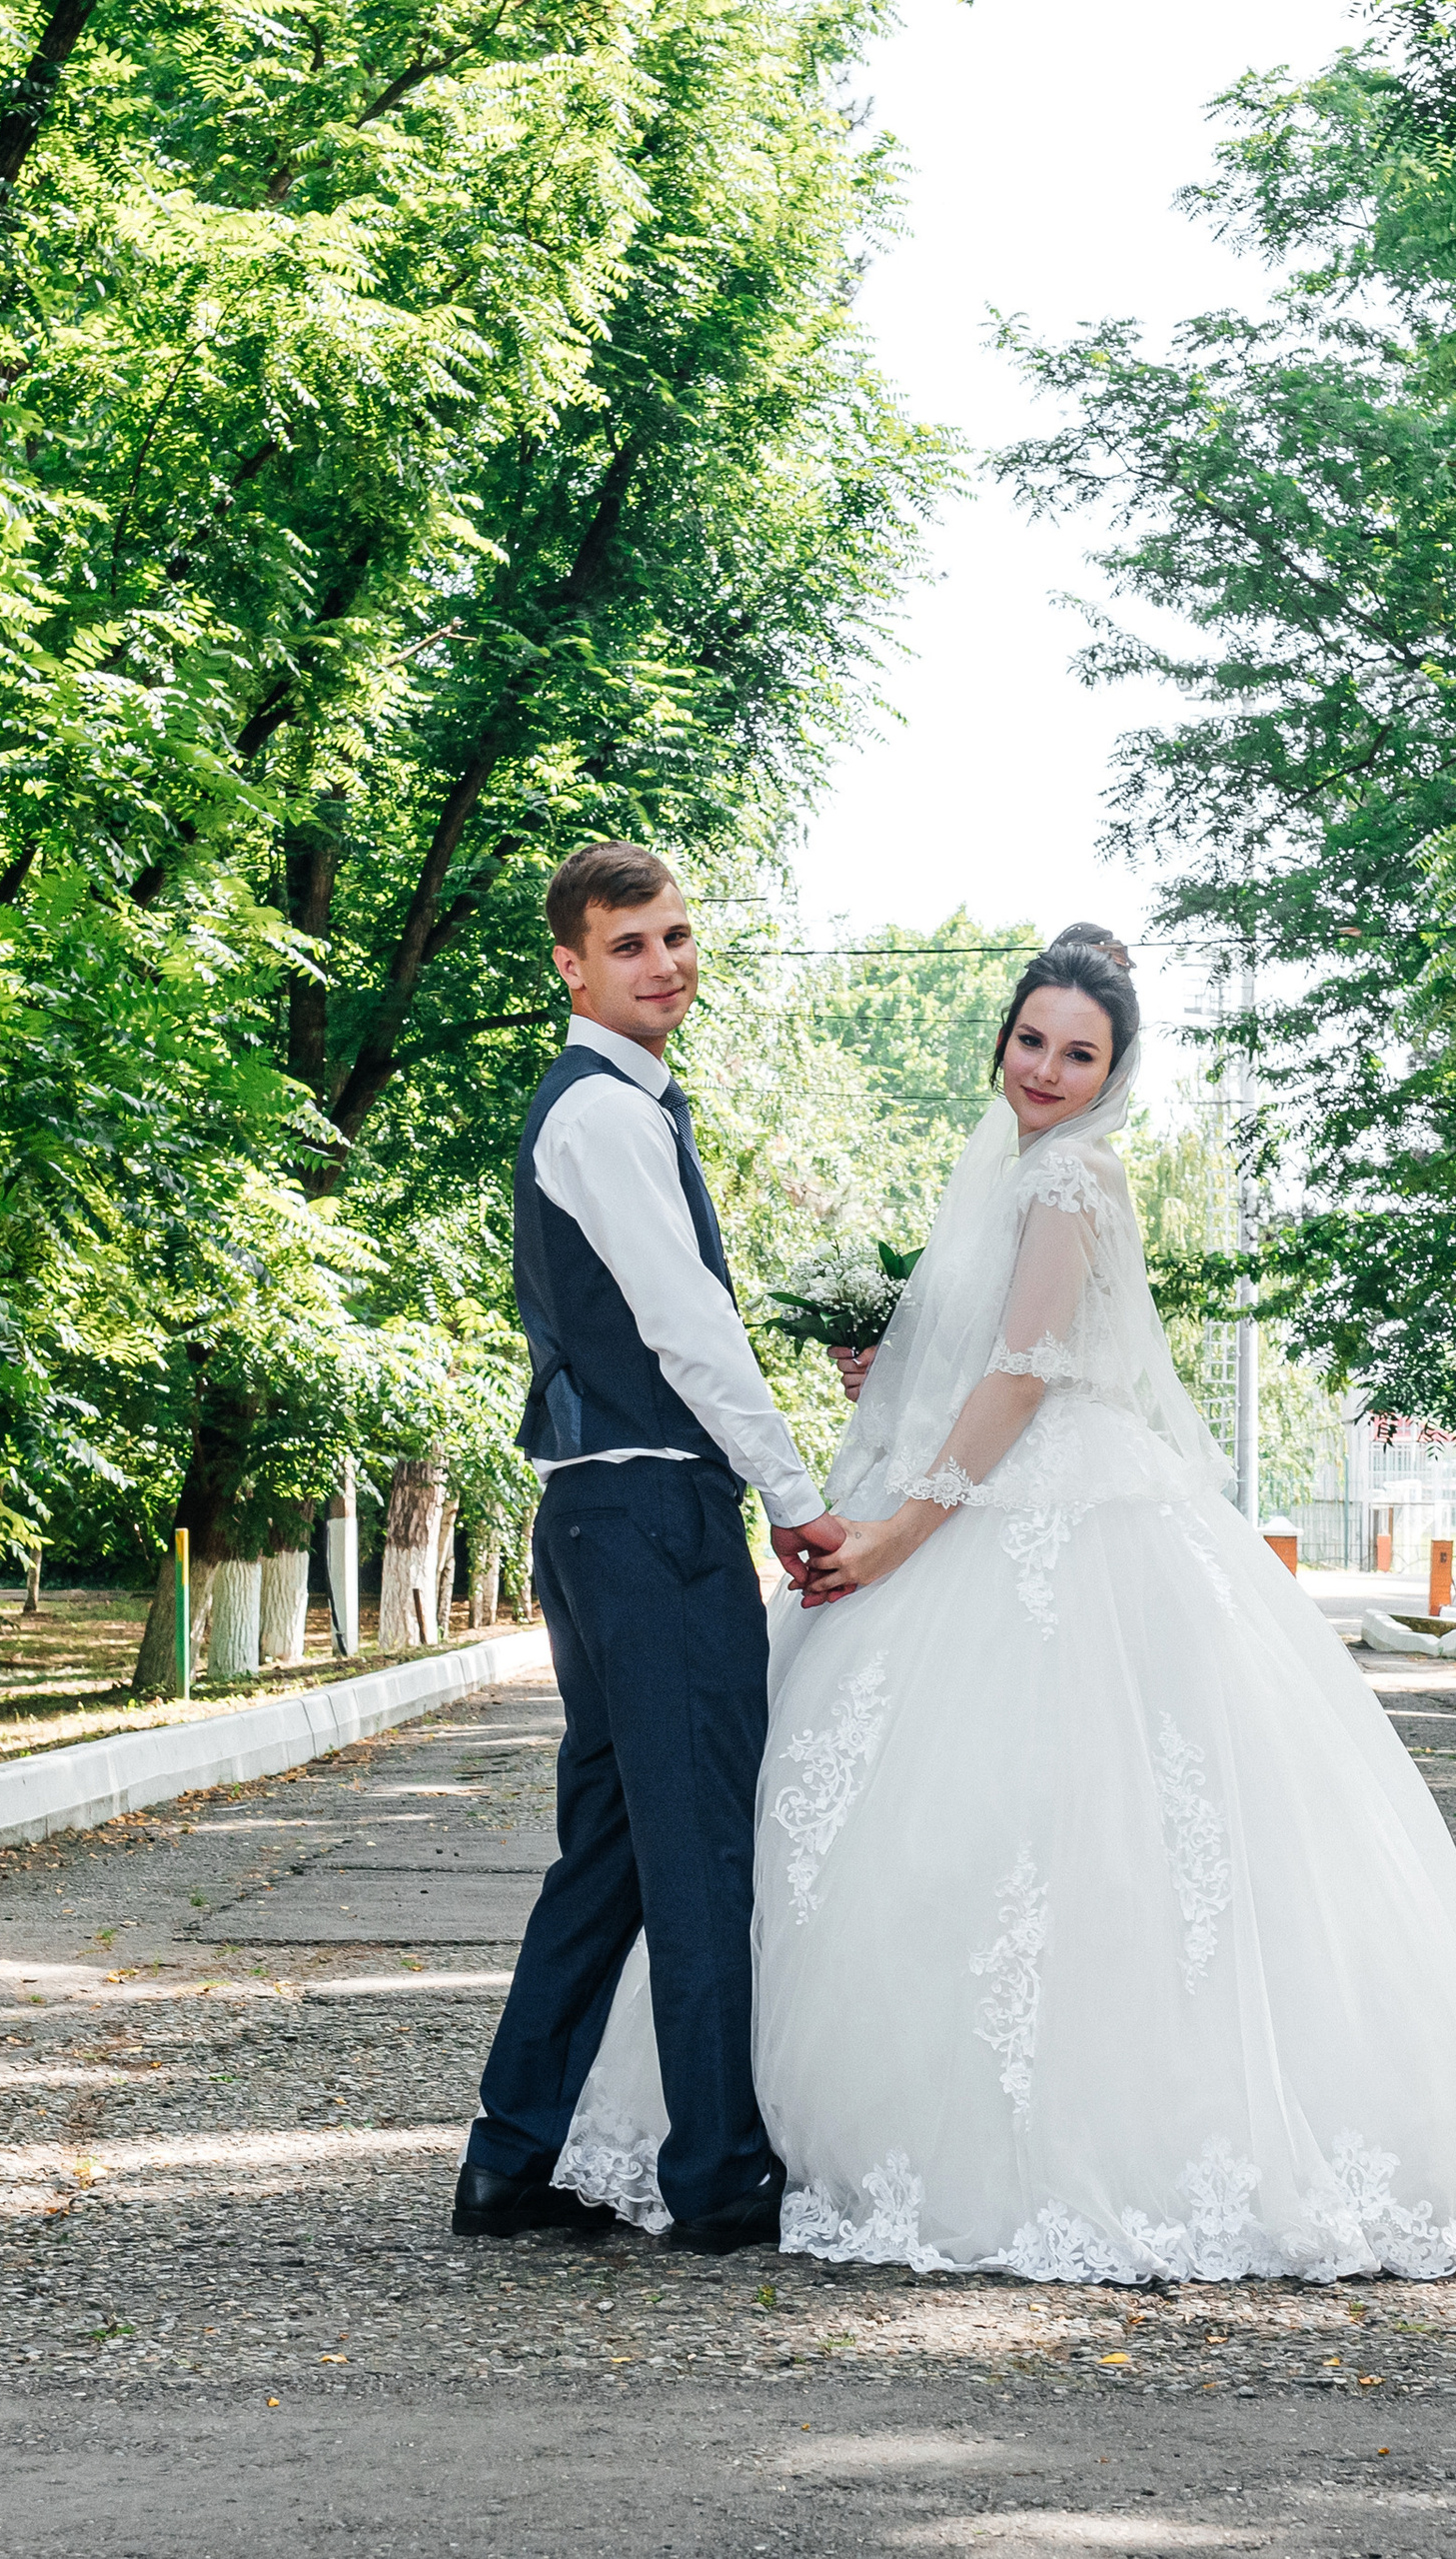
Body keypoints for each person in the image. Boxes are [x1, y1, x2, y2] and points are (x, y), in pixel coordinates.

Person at [556, 925, 1456, 2279]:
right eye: (1031, 1041)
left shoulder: (1071, 1176)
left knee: (1088, 1823)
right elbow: (987, 1349)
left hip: (1061, 1508)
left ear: (1116, 1072)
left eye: (1080, 1054)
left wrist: (900, 1534)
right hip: (999, 1481)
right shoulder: (1012, 1169)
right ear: (1003, 1040)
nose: (1046, 1070)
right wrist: (895, 1367)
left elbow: (1025, 1376)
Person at [453, 842, 847, 2252]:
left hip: (599, 1515)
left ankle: (509, 2162)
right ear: (571, 965)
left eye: (676, 936)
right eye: (629, 945)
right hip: (651, 1514)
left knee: (614, 1854)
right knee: (699, 1852)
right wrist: (791, 1493)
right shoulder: (606, 1117)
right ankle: (721, 2178)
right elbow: (688, 1327)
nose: (665, 963)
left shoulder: (610, 1106)